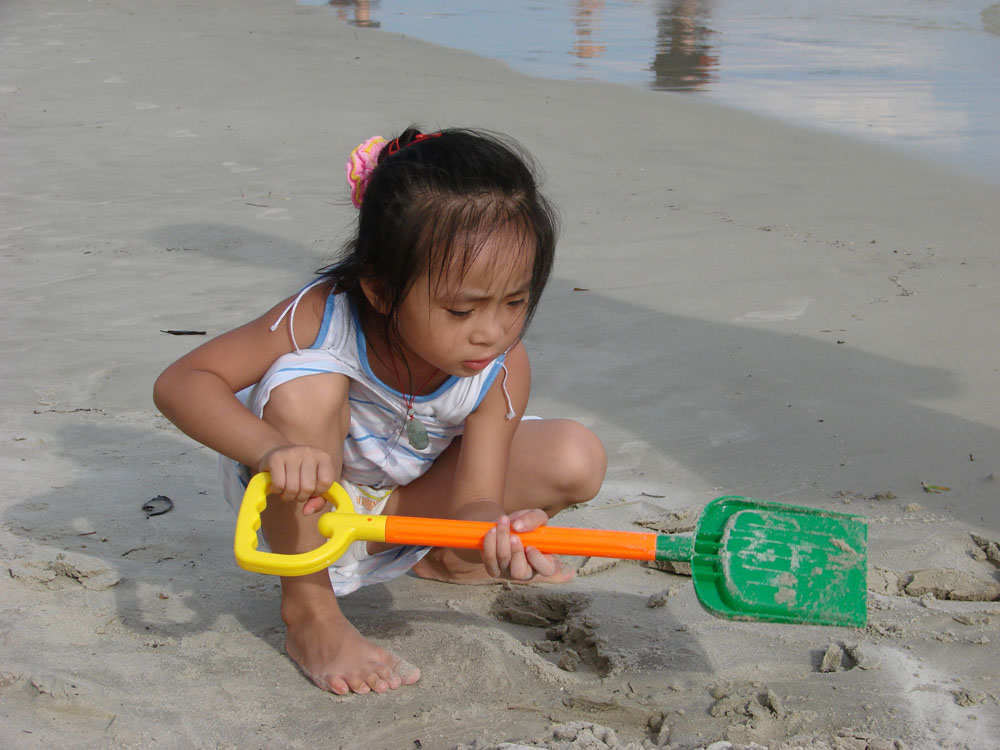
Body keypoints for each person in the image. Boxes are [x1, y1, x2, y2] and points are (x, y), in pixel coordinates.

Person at [153, 127, 607, 696]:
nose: (491, 332)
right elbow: (183, 382)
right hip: (308, 494)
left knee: (575, 456)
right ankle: (310, 611)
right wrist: (271, 451)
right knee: (306, 386)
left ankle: (444, 561)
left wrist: (493, 531)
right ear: (382, 289)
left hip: (403, 502)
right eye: (462, 309)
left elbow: (474, 496)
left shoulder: (502, 368)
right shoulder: (322, 316)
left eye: (515, 303)